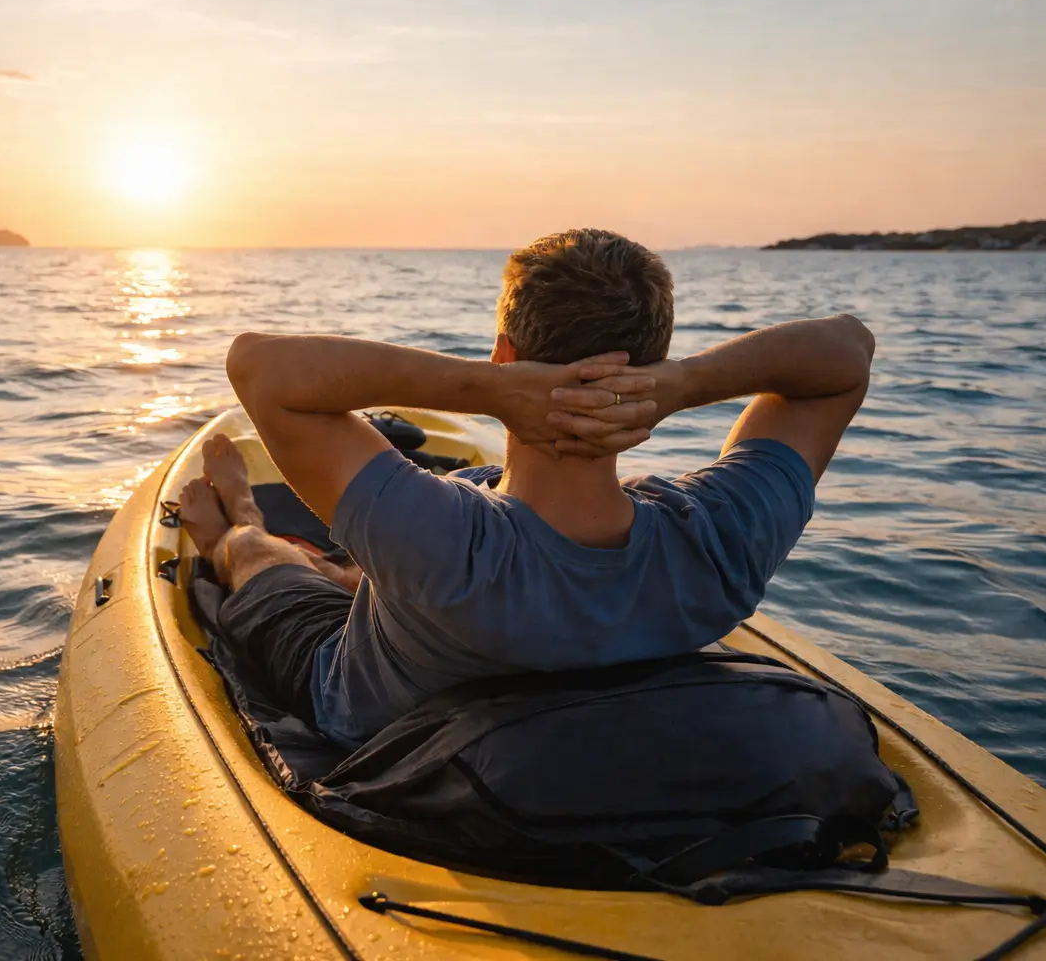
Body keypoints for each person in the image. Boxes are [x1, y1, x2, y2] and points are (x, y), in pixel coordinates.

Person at [179, 228, 874, 748]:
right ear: (653, 365)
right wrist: (684, 386)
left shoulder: (443, 538)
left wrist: (486, 390)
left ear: (506, 355)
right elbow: (846, 352)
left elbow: (260, 367)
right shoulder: (722, 536)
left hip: (357, 705)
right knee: (387, 562)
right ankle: (345, 570)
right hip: (493, 627)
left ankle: (241, 524)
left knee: (259, 561)